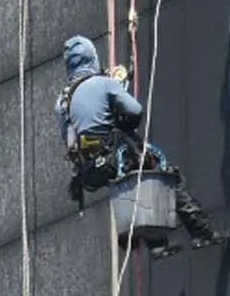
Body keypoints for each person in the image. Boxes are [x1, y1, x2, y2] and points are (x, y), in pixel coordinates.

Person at [56, 36, 221, 249]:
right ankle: (201, 232)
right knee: (165, 176)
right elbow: (135, 111)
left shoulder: (62, 101)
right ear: (92, 58)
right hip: (114, 155)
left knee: (129, 185)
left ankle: (157, 244)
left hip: (88, 170)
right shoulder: (104, 84)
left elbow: (69, 134)